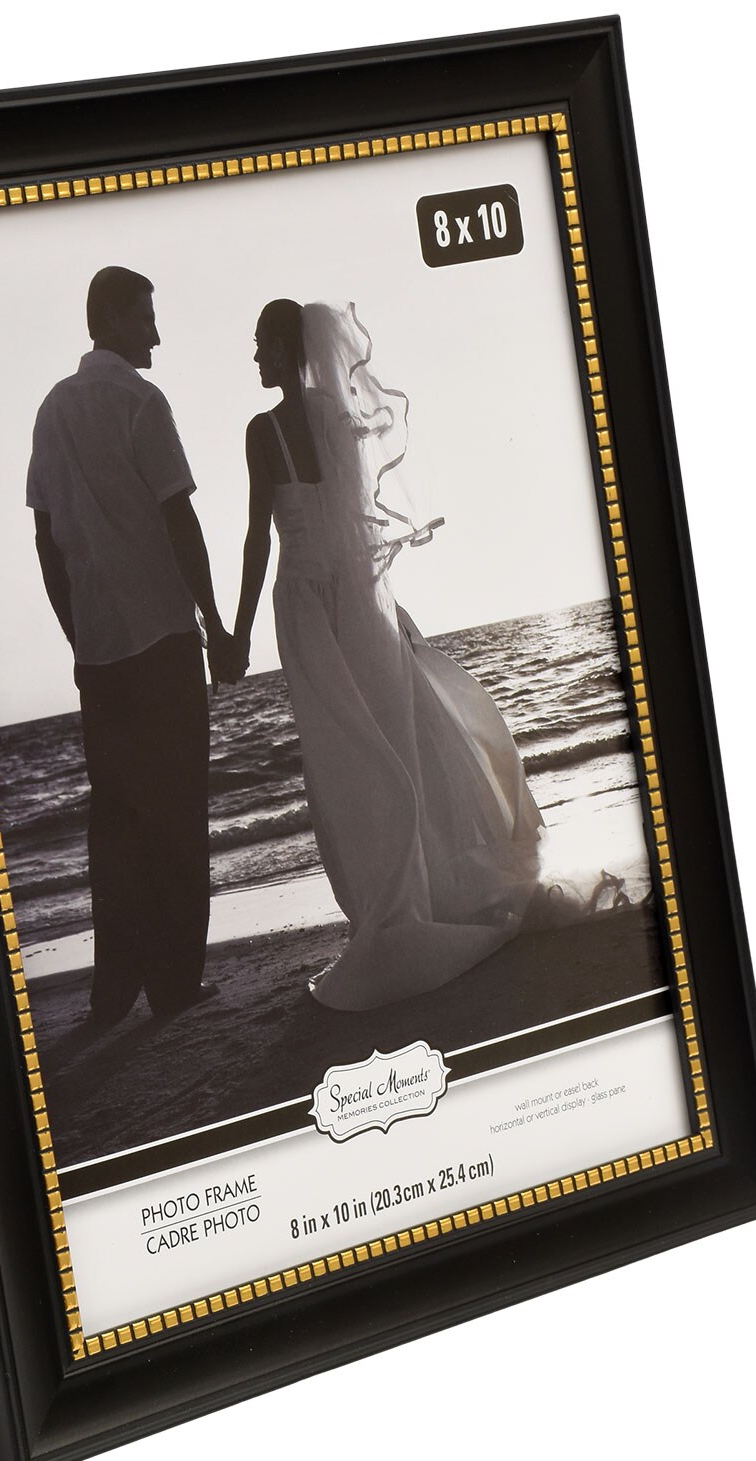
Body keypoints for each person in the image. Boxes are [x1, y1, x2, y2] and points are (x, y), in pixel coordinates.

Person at [230, 300, 544, 1011]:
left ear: (285, 347)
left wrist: (238, 631)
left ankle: (392, 912)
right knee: (393, 745)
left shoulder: (262, 430)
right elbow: (358, 524)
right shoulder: (340, 420)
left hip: (308, 606)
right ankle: (417, 898)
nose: (255, 357)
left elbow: (257, 538)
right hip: (361, 602)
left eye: (260, 344)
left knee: (344, 759)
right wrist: (383, 608)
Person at [27, 266, 239, 1025]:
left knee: (115, 823)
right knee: (177, 812)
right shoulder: (142, 402)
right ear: (113, 319)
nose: (156, 333)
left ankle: (113, 991)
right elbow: (180, 519)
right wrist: (217, 624)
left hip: (101, 653)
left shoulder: (52, 410)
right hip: (162, 639)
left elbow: (46, 540)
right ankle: (174, 984)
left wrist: (77, 632)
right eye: (146, 318)